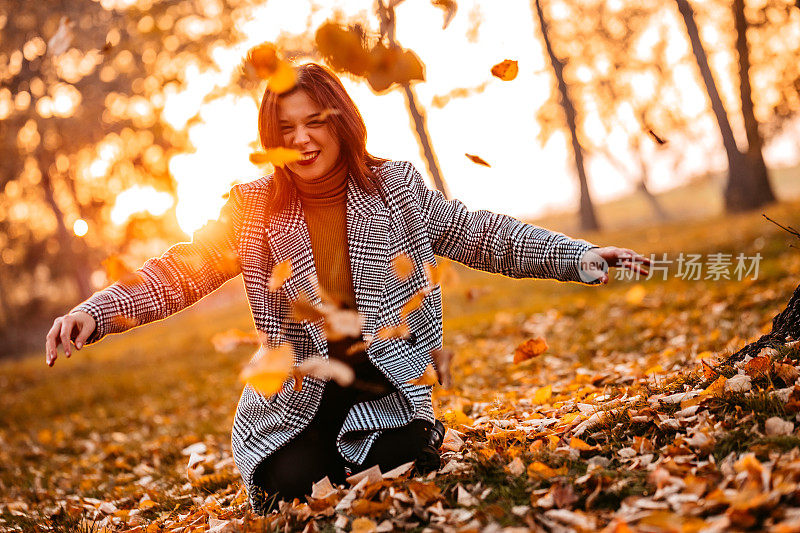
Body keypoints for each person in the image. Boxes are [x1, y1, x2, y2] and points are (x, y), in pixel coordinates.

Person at [44, 62, 649, 512]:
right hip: (298, 396)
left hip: (382, 382)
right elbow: (180, 271)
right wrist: (98, 312)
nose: (302, 140)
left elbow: (481, 234)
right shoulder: (253, 210)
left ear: (342, 123)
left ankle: (410, 435)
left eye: (316, 123)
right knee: (295, 488)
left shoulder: (397, 189)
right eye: (286, 128)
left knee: (401, 467)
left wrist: (579, 256)